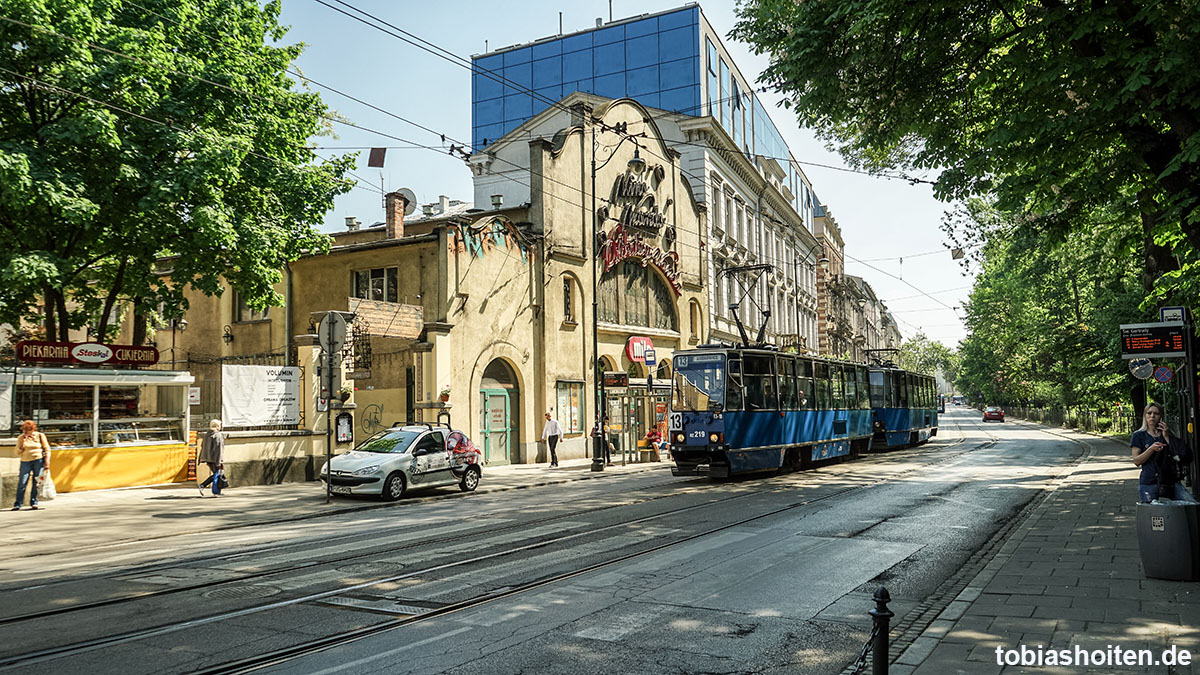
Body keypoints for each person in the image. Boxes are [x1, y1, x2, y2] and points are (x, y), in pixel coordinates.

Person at [1131, 403, 1195, 503]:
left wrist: (1167, 438)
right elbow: (1136, 461)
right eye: (1149, 413)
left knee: (1190, 504)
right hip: (1149, 481)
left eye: (1156, 413)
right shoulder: (1138, 435)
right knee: (1154, 514)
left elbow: (1179, 455)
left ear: (1161, 416)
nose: (1152, 416)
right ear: (1145, 416)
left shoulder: (1167, 434)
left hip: (1169, 481)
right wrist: (1151, 449)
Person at [12, 420, 50, 511]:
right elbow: (17, 452)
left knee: (36, 482)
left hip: (38, 460)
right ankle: (18, 503)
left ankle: (34, 502)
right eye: (24, 430)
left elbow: (47, 448)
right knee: (22, 482)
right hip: (25, 461)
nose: (25, 432)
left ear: (32, 429)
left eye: (28, 430)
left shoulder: (40, 436)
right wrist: (22, 444)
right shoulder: (21, 437)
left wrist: (47, 462)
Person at [198, 418, 226, 496]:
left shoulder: (207, 434)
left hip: (208, 458)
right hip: (215, 458)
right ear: (216, 426)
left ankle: (203, 485)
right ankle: (215, 491)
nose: (220, 427)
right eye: (220, 425)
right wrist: (220, 461)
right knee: (218, 474)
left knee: (216, 474)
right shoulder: (218, 435)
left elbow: (203, 446)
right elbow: (219, 448)